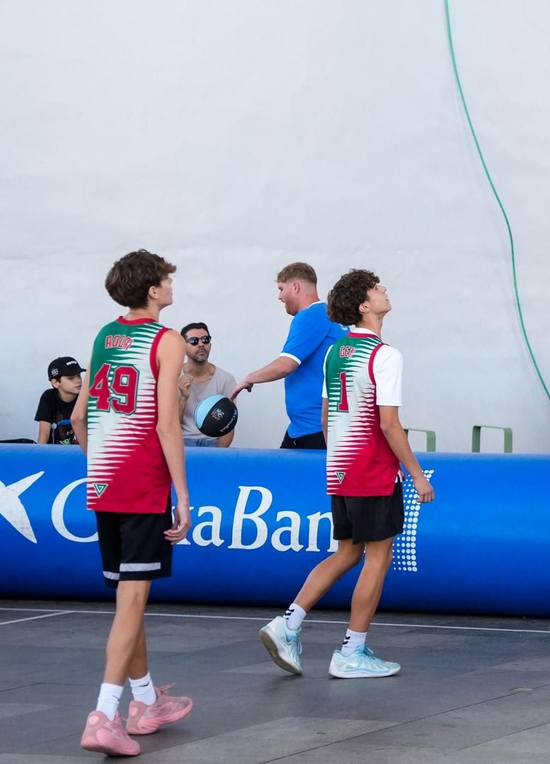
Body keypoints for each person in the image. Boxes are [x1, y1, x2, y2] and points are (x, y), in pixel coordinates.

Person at [259, 269, 436, 679]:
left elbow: (324, 418)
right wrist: (416, 476)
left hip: (339, 470)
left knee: (346, 553)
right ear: (363, 304)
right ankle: (351, 651)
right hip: (372, 472)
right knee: (378, 556)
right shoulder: (385, 355)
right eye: (377, 289)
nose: (385, 290)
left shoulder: (335, 352)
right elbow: (389, 425)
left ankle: (287, 624)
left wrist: (342, 457)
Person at [70, 250, 193, 755]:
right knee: (132, 603)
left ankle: (144, 701)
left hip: (104, 482)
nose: (171, 285)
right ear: (152, 290)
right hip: (142, 485)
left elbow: (79, 418)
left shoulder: (105, 335)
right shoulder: (168, 341)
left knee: (128, 601)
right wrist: (182, 495)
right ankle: (104, 714)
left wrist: (100, 463)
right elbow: (167, 425)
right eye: (166, 279)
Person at [232, 263, 345, 449]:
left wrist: (249, 378)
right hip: (304, 427)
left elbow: (286, 364)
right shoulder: (329, 315)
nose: (279, 297)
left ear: (295, 287)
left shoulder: (311, 315)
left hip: (315, 429)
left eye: (281, 289)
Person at [178, 323, 237, 449]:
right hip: (181, 442)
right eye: (194, 341)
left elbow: (228, 423)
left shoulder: (226, 379)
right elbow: (170, 425)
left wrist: (217, 456)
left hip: (213, 443)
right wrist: (183, 398)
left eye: (206, 340)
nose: (201, 344)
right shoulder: (174, 377)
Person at [35, 357, 84, 445]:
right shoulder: (49, 397)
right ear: (56, 383)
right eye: (71, 378)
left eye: (79, 375)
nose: (78, 381)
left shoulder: (85, 397)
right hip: (54, 454)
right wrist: (39, 457)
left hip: (80, 454)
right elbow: (44, 435)